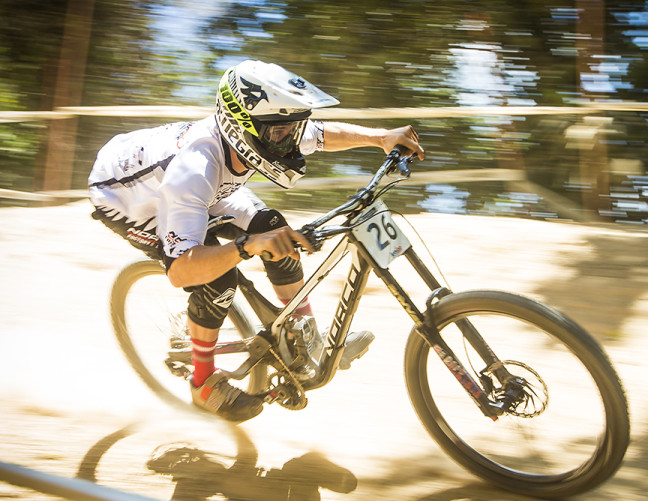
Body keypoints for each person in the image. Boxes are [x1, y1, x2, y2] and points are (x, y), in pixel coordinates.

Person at [89, 60, 424, 422]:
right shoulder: (194, 171)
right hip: (129, 199)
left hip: (208, 188)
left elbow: (322, 133)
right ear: (241, 128)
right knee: (216, 278)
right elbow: (182, 271)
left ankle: (305, 336)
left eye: (291, 130)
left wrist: (380, 138)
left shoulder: (269, 129)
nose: (292, 139)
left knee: (274, 228)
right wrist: (245, 246)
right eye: (282, 133)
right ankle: (202, 383)